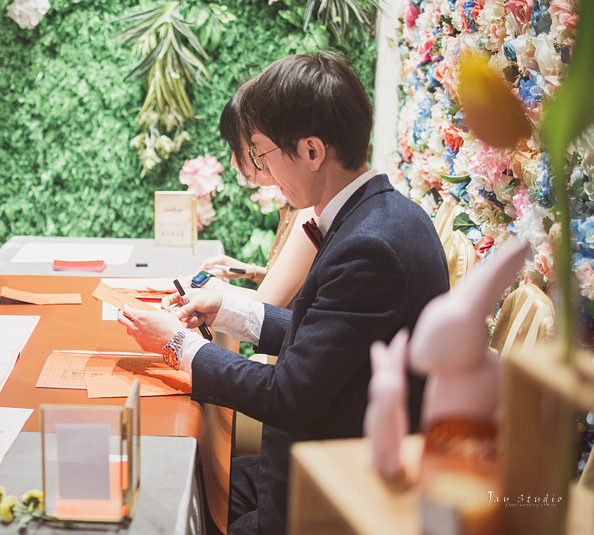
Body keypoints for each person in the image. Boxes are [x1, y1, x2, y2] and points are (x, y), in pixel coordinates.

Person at [118, 51, 449, 534]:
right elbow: (330, 340)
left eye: (261, 152)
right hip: (324, 455)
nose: (263, 169)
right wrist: (228, 309)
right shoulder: (382, 215)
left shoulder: (370, 247)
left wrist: (177, 344)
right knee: (177, 478)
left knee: (161, 496)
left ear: (312, 151)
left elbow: (289, 394)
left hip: (329, 495)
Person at [195, 95, 317, 308]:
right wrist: (250, 271)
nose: (234, 163)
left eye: (252, 150)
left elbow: (266, 308)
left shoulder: (309, 208)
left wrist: (200, 288)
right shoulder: (299, 200)